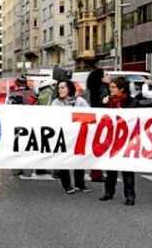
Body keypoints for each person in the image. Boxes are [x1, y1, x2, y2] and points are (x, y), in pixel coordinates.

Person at [99, 77, 139, 206]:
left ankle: (130, 196)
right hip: (111, 139)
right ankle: (108, 192)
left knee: (126, 168)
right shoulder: (108, 101)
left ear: (121, 89)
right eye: (110, 87)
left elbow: (136, 117)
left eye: (113, 87)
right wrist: (104, 104)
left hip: (126, 139)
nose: (110, 90)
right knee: (110, 167)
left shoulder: (131, 102)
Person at [51, 80, 91, 194]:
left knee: (79, 159)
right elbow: (52, 119)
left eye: (63, 87)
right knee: (64, 159)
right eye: (59, 88)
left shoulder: (79, 101)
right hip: (63, 135)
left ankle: (80, 184)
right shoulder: (55, 103)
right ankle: (67, 185)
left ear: (69, 89)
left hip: (78, 135)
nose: (60, 90)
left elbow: (89, 116)